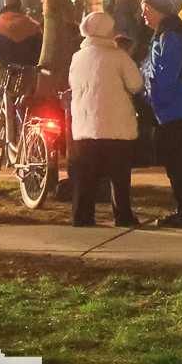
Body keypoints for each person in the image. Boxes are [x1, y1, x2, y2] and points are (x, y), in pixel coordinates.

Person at [68, 12, 145, 227]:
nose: (114, 33)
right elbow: (136, 84)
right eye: (111, 29)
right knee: (119, 177)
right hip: (116, 126)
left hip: (85, 126)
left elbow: (73, 84)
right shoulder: (118, 56)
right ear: (104, 31)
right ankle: (123, 215)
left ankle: (82, 216)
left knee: (86, 177)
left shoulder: (78, 57)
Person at [140, 0, 182, 228]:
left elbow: (165, 74)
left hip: (177, 110)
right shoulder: (168, 33)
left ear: (157, 10)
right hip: (181, 108)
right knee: (180, 163)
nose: (143, 16)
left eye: (146, 10)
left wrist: (153, 99)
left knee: (178, 164)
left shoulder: (169, 37)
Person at [0, 0, 43, 66]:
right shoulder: (34, 26)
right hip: (28, 72)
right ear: (20, 5)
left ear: (5, 4)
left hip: (5, 72)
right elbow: (39, 49)